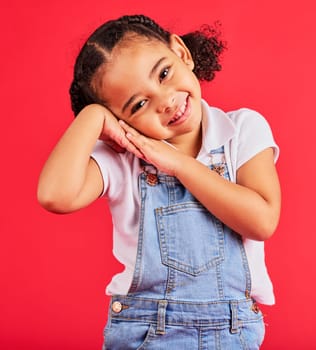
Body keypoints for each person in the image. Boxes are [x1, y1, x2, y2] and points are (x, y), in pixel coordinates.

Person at [37, 14, 281, 350]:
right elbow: (54, 195)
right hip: (146, 334)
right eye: (138, 104)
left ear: (181, 52)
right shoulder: (123, 158)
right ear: (120, 122)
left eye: (163, 74)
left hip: (233, 331)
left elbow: (262, 221)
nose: (165, 101)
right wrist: (92, 117)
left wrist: (178, 164)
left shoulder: (240, 131)